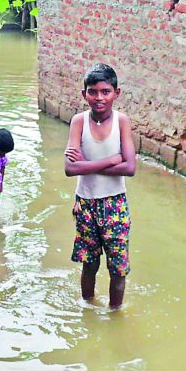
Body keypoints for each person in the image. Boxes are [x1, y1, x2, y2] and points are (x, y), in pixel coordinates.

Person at [64, 63, 136, 309]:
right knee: (89, 264)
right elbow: (70, 169)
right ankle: (88, 309)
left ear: (117, 93)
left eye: (105, 91)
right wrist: (111, 160)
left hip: (115, 202)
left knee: (118, 269)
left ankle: (115, 313)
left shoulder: (121, 121)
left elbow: (130, 168)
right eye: (93, 91)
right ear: (84, 94)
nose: (99, 97)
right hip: (85, 203)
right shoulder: (79, 122)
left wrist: (88, 163)